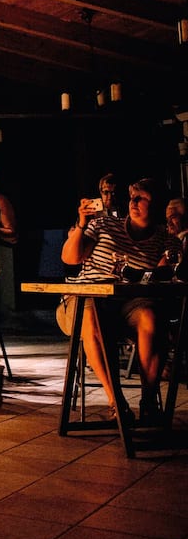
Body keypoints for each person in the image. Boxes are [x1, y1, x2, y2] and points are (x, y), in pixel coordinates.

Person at [61, 177, 179, 422]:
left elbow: (168, 272)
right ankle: (116, 402)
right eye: (132, 197)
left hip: (128, 302)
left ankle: (149, 401)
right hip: (87, 295)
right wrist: (81, 225)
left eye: (142, 198)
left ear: (156, 205)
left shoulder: (165, 238)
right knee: (91, 317)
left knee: (150, 317)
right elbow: (71, 259)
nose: (133, 202)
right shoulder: (104, 224)